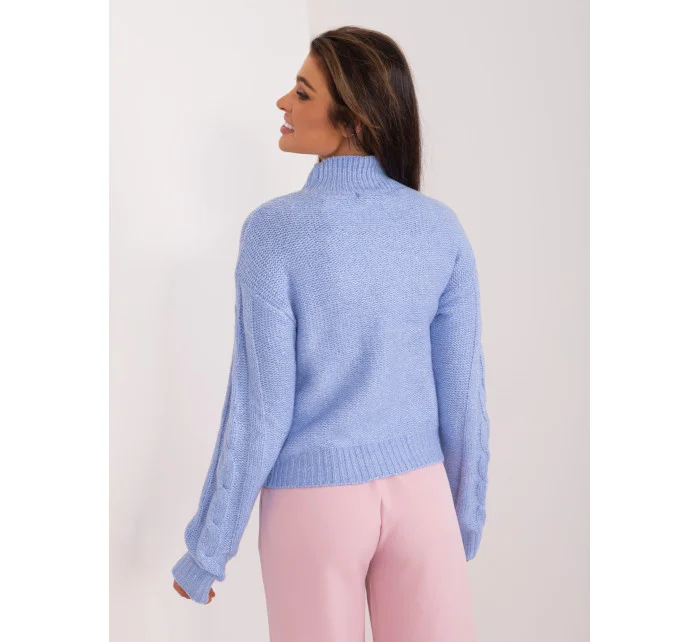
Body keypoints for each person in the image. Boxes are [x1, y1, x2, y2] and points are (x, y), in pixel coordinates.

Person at [171, 25, 491, 642]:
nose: (283, 103)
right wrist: (463, 517)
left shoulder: (273, 233)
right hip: (424, 501)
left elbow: (260, 408)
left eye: (302, 92)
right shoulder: (439, 228)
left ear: (354, 118)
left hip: (314, 505)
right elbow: (463, 396)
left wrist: (208, 549)